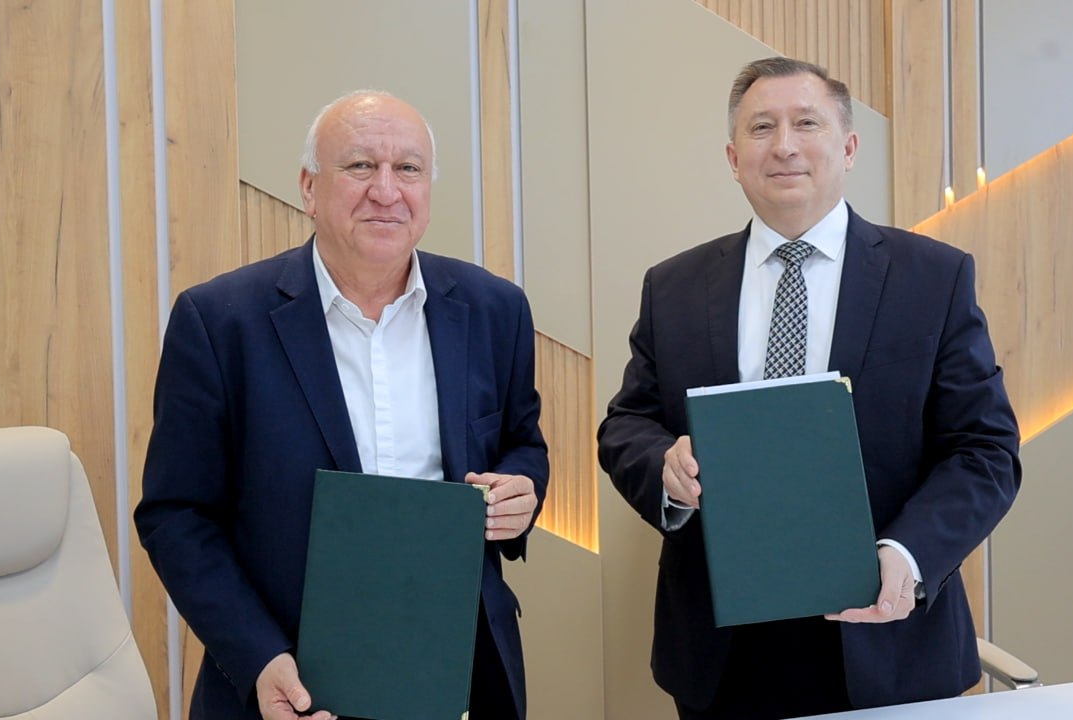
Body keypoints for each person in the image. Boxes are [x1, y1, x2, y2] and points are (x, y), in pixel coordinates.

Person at [597, 56, 1021, 719]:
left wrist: (907, 555)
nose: (784, 145)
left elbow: (985, 450)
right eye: (762, 127)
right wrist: (664, 468)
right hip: (722, 649)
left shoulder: (932, 278)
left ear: (848, 148)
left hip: (887, 638)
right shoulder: (673, 286)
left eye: (806, 123)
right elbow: (628, 423)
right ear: (734, 158)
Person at [135, 91, 548, 720]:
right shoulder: (219, 322)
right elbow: (176, 514)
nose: (386, 190)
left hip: (459, 671)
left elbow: (523, 443)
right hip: (289, 681)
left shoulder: (496, 310)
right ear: (309, 187)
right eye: (359, 166)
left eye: (407, 168)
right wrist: (259, 657)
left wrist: (521, 490)